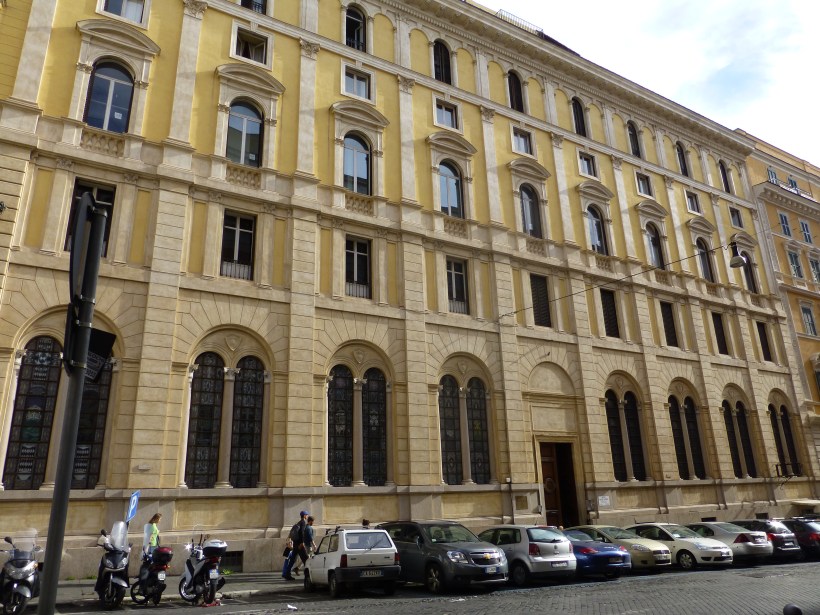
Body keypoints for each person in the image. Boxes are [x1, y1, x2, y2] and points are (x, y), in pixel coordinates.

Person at [282, 510, 309, 581]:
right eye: (306, 515)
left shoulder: (298, 522)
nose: (307, 516)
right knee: (306, 559)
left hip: (295, 544)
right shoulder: (303, 522)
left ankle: (287, 574)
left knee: (292, 560)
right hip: (300, 544)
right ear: (304, 516)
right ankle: (308, 575)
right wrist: (302, 542)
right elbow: (302, 533)